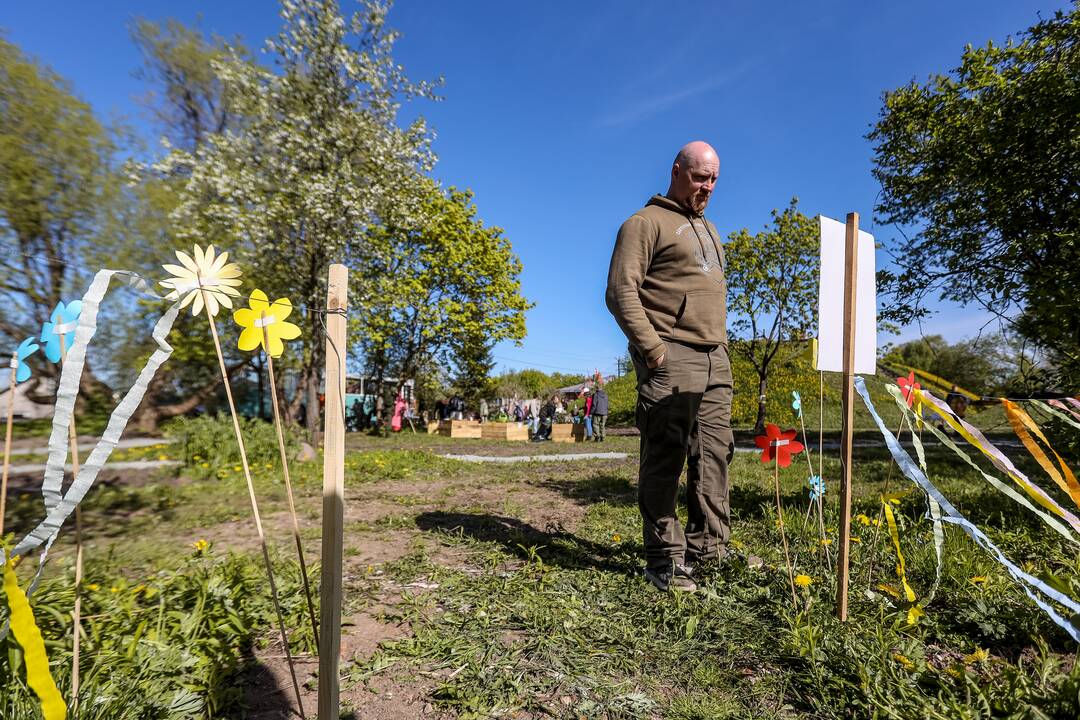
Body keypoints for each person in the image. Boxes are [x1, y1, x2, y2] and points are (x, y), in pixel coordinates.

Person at [606, 140, 735, 593]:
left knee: (715, 455)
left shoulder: (711, 229)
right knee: (667, 455)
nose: (709, 187)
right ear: (678, 170)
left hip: (716, 357)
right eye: (701, 177)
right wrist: (653, 350)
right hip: (672, 354)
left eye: (715, 178)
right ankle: (665, 559)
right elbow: (621, 293)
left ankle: (710, 550)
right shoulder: (643, 223)